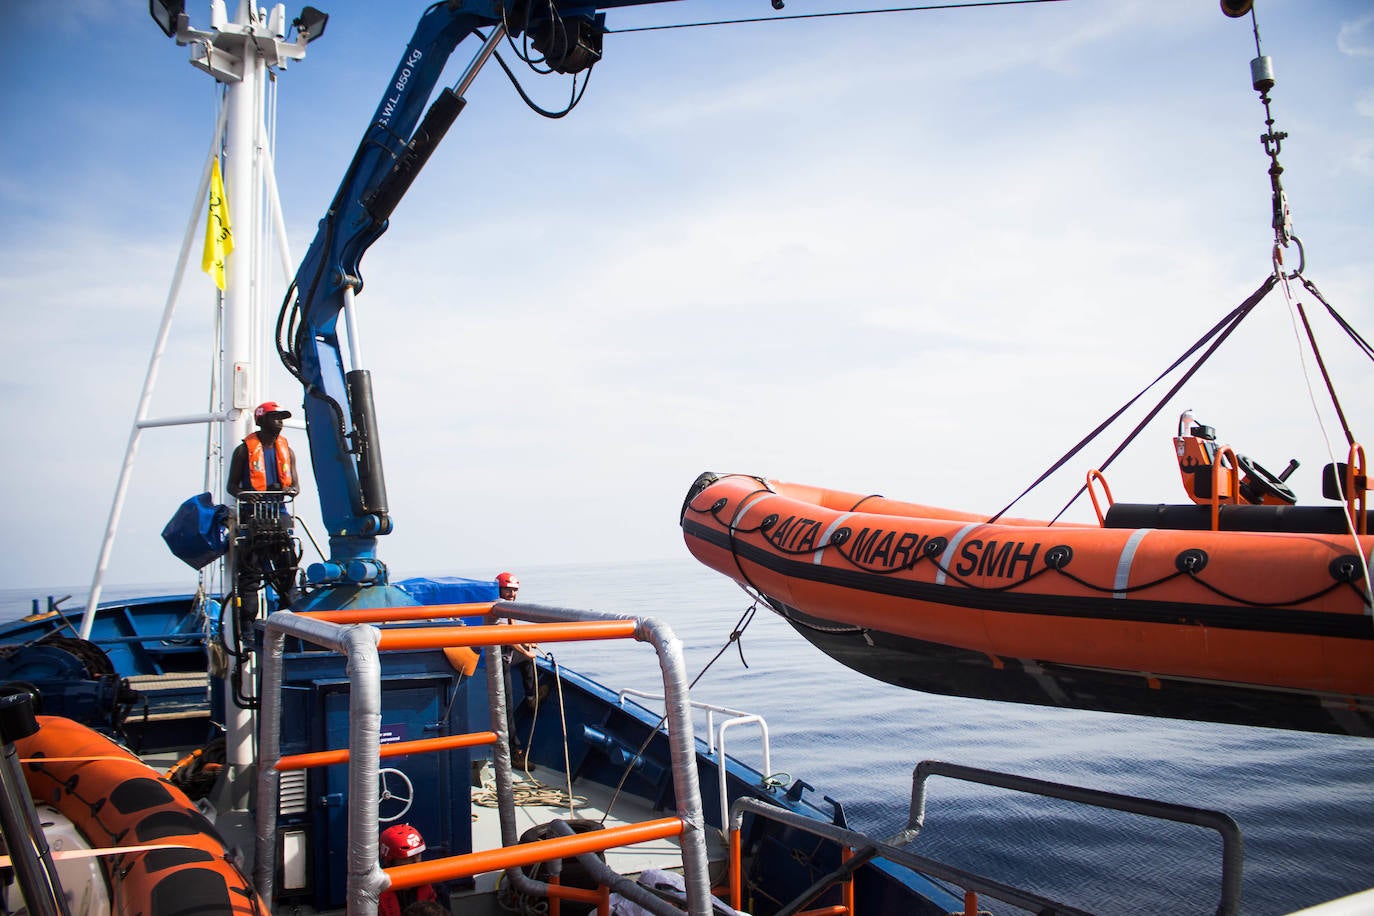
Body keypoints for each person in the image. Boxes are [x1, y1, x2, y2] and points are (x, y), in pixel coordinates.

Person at [226, 401, 301, 618]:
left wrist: (288, 490)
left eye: (281, 418)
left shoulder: (288, 452)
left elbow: (296, 486)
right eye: (275, 418)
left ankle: (289, 626)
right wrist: (246, 494)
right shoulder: (243, 451)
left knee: (287, 573)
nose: (279, 423)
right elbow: (231, 486)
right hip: (253, 520)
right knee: (250, 577)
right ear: (262, 421)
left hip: (280, 517)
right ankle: (248, 629)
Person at [496, 572, 541, 769]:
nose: (512, 594)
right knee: (506, 707)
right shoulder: (496, 606)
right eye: (508, 590)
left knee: (527, 660)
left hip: (506, 654)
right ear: (499, 589)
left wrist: (526, 642)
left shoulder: (508, 607)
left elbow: (513, 630)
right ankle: (514, 753)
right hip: (496, 662)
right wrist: (525, 650)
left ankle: (532, 698)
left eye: (514, 591)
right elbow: (508, 638)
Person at [377, 824, 447, 916]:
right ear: (389, 862)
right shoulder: (375, 896)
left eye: (418, 855)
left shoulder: (435, 887)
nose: (416, 862)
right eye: (408, 858)